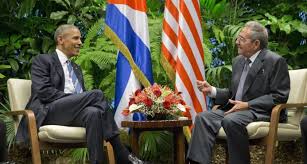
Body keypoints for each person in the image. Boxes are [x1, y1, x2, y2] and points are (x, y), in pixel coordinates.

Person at [16, 24, 144, 164]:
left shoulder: (76, 68)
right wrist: (75, 99)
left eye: (80, 39)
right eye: (75, 38)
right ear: (60, 40)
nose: (80, 43)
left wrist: (78, 101)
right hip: (49, 112)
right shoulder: (43, 60)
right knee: (97, 94)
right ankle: (120, 151)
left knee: (93, 113)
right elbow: (44, 92)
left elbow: (82, 99)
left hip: (72, 114)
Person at [187, 21, 290, 164]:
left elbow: (280, 96)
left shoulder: (275, 61)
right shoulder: (238, 61)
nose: (237, 42)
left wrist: (248, 104)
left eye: (242, 39)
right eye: (238, 38)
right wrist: (212, 91)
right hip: (236, 110)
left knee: (231, 120)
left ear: (256, 44)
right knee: (203, 117)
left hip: (262, 111)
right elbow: (233, 94)